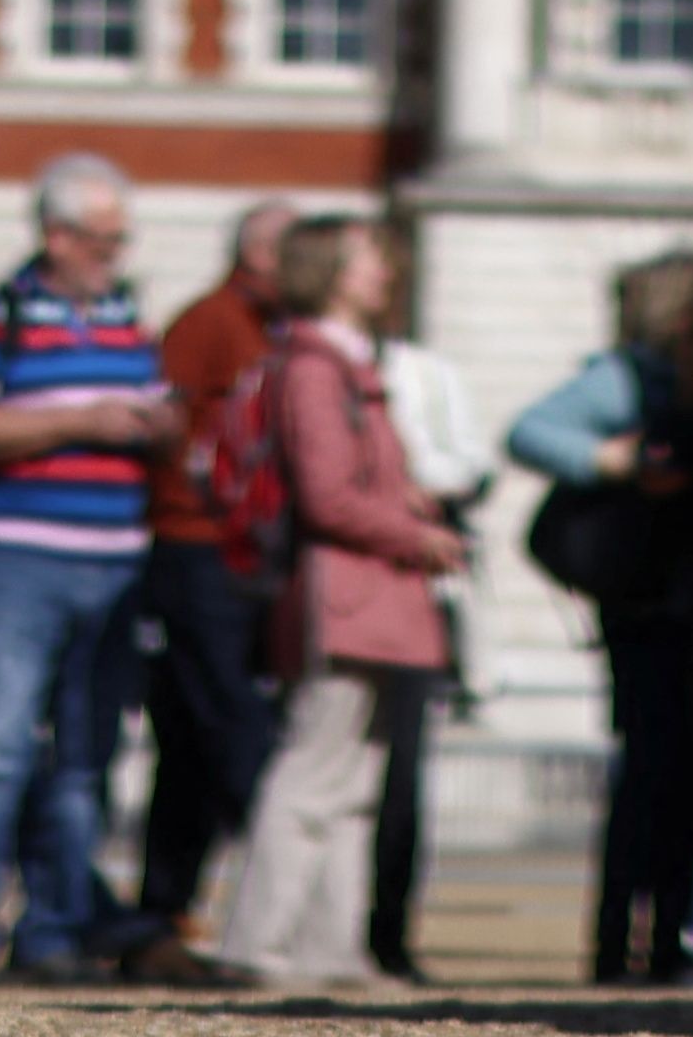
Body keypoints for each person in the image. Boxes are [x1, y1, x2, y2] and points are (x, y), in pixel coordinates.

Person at [0, 156, 182, 983]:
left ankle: (54, 927)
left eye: (120, 242)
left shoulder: (123, 317)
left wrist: (157, 424)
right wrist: (83, 421)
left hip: (112, 562)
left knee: (84, 760)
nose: (114, 257)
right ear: (56, 235)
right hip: (16, 558)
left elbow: (149, 413)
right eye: (103, 242)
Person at [221, 219, 467, 990]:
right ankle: (260, 942)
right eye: (366, 259)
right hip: (347, 589)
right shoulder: (316, 369)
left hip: (369, 586)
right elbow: (328, 497)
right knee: (314, 768)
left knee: (354, 780)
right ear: (328, 271)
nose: (383, 273)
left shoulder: (341, 365)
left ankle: (331, 949)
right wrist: (415, 533)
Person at [517, 255, 693, 988]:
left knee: (678, 781)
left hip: (688, 604)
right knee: (655, 777)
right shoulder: (636, 382)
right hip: (653, 606)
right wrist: (615, 463)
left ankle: (655, 942)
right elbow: (532, 431)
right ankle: (625, 945)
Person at [128, 197, 311, 969]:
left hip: (246, 550)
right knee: (231, 724)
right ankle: (275, 904)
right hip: (196, 543)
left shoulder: (279, 332)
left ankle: (167, 911)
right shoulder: (208, 322)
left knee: (201, 735)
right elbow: (168, 424)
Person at [363, 243, 499, 982]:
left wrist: (422, 484)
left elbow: (473, 463)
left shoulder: (426, 374)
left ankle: (387, 928)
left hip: (414, 583)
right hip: (345, 580)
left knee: (401, 770)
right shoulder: (303, 368)